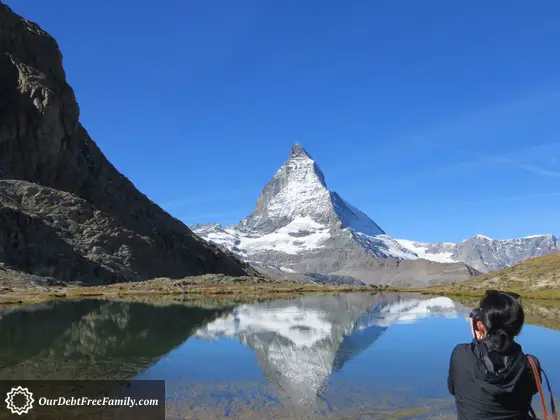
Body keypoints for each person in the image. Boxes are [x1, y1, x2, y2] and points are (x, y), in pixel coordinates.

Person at [447, 290, 541, 420]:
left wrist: (478, 342)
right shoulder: (531, 365)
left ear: (480, 325)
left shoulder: (460, 355)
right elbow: (530, 393)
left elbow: (453, 390)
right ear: (518, 329)